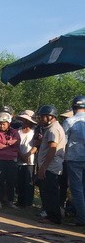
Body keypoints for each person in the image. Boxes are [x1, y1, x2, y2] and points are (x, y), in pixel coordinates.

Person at [36, 105, 66, 224]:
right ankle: (50, 215)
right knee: (47, 191)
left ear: (50, 117)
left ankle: (54, 217)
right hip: (49, 166)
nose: (40, 119)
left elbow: (52, 149)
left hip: (50, 167)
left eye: (42, 116)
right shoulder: (51, 128)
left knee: (50, 192)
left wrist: (43, 167)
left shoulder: (53, 129)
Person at [62, 96, 85, 226]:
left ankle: (81, 218)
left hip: (74, 158)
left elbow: (63, 141)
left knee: (77, 189)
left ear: (73, 107)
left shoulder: (69, 121)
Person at [0, 112, 20, 209]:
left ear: (8, 123)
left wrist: (5, 143)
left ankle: (10, 201)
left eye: (4, 123)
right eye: (0, 123)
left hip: (11, 160)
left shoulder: (14, 132)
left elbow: (17, 143)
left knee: (11, 181)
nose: (1, 125)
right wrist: (9, 145)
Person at [16, 110, 38, 208]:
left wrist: (27, 155)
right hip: (19, 159)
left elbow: (36, 146)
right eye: (23, 119)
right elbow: (15, 145)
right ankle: (20, 201)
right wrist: (21, 155)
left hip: (30, 160)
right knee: (19, 181)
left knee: (29, 182)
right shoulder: (18, 131)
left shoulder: (34, 132)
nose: (24, 121)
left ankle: (28, 203)